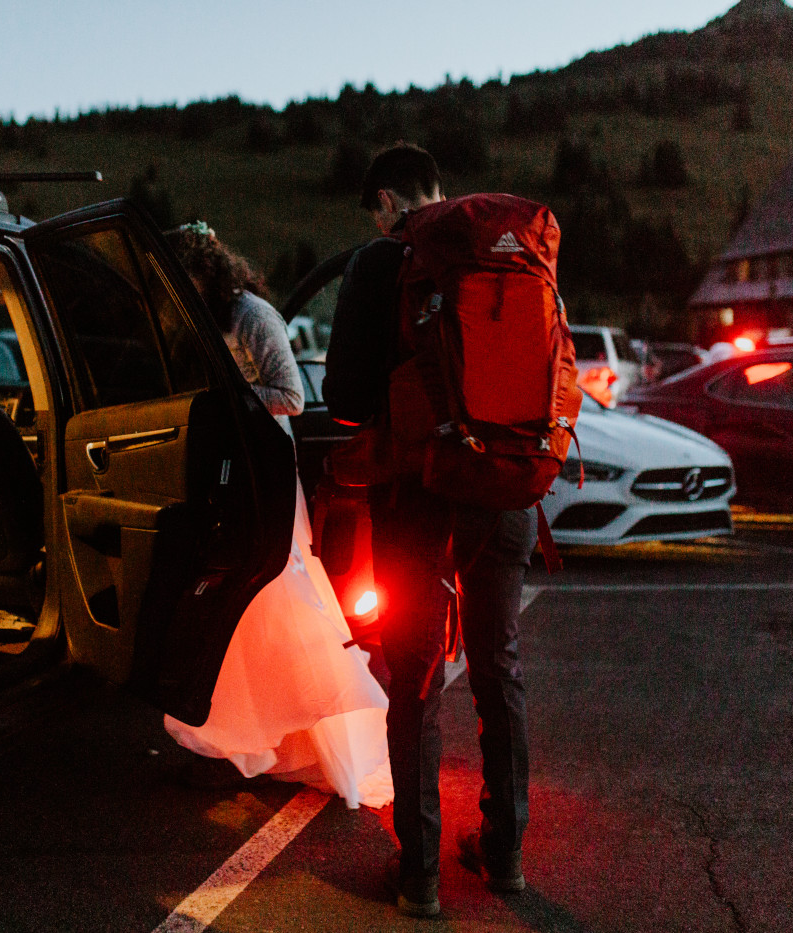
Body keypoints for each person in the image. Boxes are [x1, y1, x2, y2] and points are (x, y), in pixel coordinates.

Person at [324, 144, 539, 916]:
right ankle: (505, 852)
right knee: (498, 665)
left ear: (386, 200)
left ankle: (420, 875)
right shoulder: (505, 253)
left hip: (418, 496)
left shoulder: (381, 262)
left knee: (414, 681)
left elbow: (345, 400)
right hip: (506, 486)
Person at [161, 222, 393, 810]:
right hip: (221, 467)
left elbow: (289, 396)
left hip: (262, 469)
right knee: (221, 599)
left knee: (269, 592)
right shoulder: (198, 321)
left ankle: (267, 738)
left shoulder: (253, 315)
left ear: (208, 273)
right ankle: (230, 737)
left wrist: (224, 404)